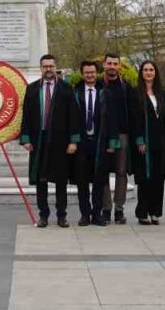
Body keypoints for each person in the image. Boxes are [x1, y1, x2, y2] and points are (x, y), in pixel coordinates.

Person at [21, 54, 80, 228]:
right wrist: (25, 139)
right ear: (41, 68)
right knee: (41, 180)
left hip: (60, 141)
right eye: (45, 66)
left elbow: (74, 116)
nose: (48, 69)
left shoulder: (66, 88)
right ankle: (43, 215)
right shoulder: (31, 89)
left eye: (51, 66)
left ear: (56, 67)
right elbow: (26, 116)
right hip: (38, 141)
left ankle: (62, 215)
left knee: (61, 180)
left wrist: (73, 141)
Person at [74, 60, 117, 226]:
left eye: (92, 72)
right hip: (82, 142)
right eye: (86, 72)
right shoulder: (76, 93)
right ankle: (85, 214)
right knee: (82, 180)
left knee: (100, 180)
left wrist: (112, 143)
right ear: (82, 73)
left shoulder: (105, 93)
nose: (89, 75)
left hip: (100, 142)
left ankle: (97, 214)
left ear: (96, 73)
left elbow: (113, 119)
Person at [130, 60, 165, 225]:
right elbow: (134, 119)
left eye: (151, 69)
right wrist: (139, 140)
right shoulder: (136, 93)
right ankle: (142, 212)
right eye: (145, 70)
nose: (148, 72)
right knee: (145, 178)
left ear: (155, 72)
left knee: (158, 178)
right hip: (143, 141)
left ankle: (155, 212)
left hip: (159, 142)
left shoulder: (162, 93)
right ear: (141, 73)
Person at [100, 52, 134, 224]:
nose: (112, 67)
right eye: (109, 63)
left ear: (119, 66)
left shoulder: (126, 87)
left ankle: (119, 208)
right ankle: (106, 208)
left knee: (121, 172)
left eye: (115, 64)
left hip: (122, 135)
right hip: (101, 135)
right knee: (103, 172)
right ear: (104, 65)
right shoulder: (98, 85)